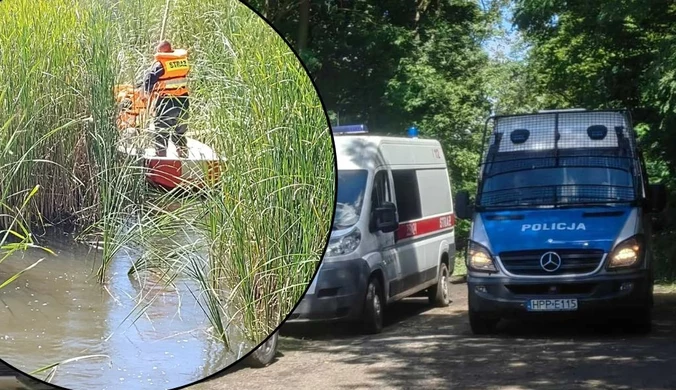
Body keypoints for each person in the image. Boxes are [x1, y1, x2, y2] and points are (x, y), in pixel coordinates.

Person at [143, 40, 190, 158]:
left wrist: (146, 93)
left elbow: (149, 78)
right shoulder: (182, 62)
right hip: (183, 101)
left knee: (161, 131)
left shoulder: (160, 65)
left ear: (160, 51)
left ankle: (161, 157)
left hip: (166, 103)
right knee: (180, 131)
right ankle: (183, 155)